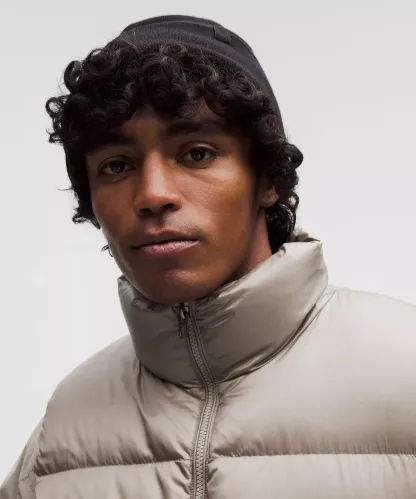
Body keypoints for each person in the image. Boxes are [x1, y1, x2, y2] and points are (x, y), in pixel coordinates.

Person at [1, 14, 416, 499]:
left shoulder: (406, 367)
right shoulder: (62, 431)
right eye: (116, 166)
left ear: (267, 179)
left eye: (196, 153)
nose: (153, 194)